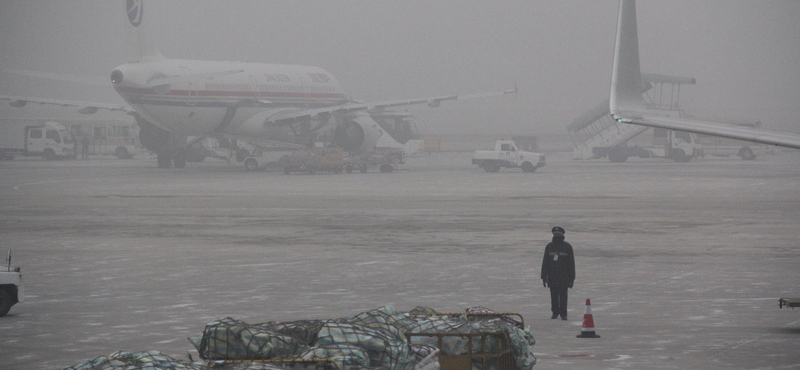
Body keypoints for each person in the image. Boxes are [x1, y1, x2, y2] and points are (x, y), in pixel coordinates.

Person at [541, 226, 575, 320]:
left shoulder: (567, 247)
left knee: (563, 296)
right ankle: (555, 312)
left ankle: (563, 314)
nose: (557, 237)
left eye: (558, 235)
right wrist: (543, 276)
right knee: (554, 296)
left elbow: (571, 264)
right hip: (552, 276)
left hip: (564, 276)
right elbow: (545, 262)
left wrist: (572, 278)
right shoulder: (549, 247)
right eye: (555, 235)